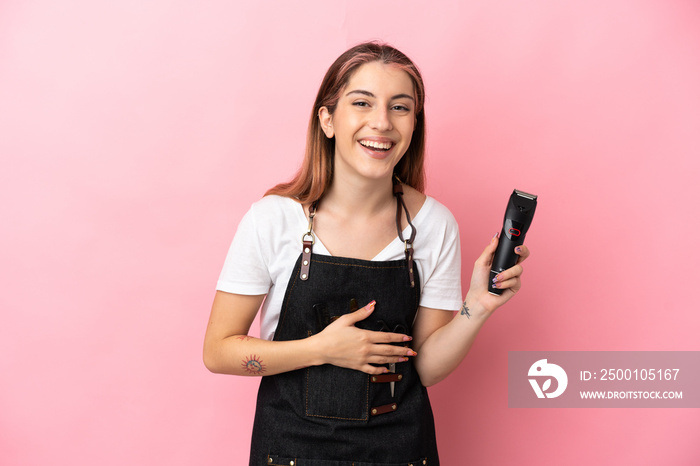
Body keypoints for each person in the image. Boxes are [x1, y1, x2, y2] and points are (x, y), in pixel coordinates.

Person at [203, 41, 529, 466]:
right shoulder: (272, 220)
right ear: (327, 119)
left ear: (414, 124)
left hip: (401, 451)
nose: (381, 123)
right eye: (362, 103)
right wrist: (321, 349)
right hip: (289, 452)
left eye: (400, 107)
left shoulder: (434, 225)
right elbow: (218, 352)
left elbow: (425, 368)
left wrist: (477, 307)